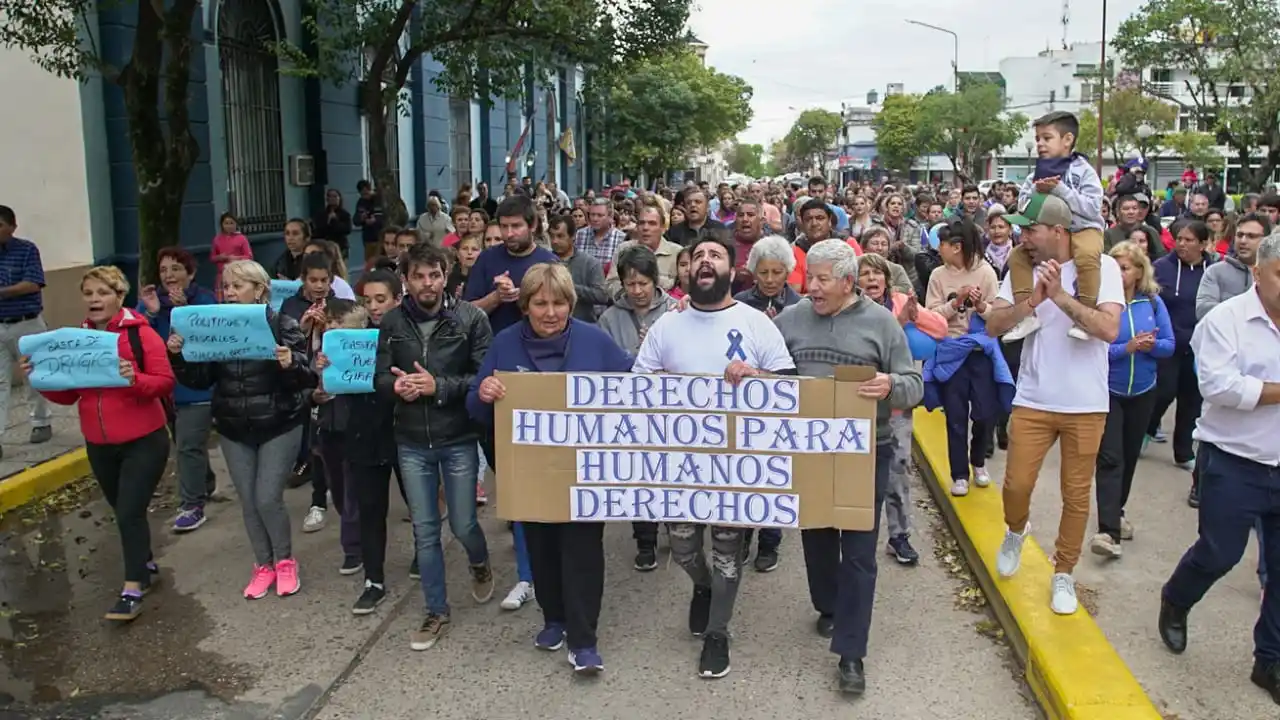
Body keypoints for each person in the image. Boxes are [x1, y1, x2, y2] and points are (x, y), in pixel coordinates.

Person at [632, 234, 797, 679]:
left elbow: (789, 385)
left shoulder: (757, 322)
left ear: (730, 270)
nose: (705, 261)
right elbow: (637, 383)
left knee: (728, 550)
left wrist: (756, 375)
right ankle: (701, 587)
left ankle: (719, 631)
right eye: (697, 256)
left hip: (734, 464)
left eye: (715, 255)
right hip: (678, 465)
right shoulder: (668, 324)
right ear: (687, 271)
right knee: (684, 547)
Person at [467, 262, 633, 675]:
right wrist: (485, 393)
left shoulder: (595, 341)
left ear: (571, 305)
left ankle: (584, 640)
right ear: (524, 305)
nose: (550, 312)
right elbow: (475, 405)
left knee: (581, 553)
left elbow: (635, 386)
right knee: (541, 551)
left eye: (559, 303)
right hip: (530, 473)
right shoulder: (505, 343)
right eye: (539, 303)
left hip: (585, 472)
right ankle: (554, 620)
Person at [775, 239, 924, 694]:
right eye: (808, 277)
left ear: (847, 282)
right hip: (808, 453)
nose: (810, 287)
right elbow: (772, 373)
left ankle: (851, 655)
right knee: (817, 537)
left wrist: (889, 385)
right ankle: (828, 605)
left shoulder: (881, 324)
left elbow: (913, 386)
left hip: (865, 452)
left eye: (821, 279)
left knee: (859, 554)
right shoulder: (791, 319)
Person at [982, 193, 1123, 615]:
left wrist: (1061, 296)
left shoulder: (1104, 269)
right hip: (1033, 398)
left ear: (1058, 232)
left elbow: (1109, 329)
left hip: (1086, 403)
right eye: (1022, 228)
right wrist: (1033, 300)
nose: (1023, 236)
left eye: (1031, 228)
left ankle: (1063, 572)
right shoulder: (1020, 269)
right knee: (1016, 485)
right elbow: (993, 324)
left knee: (1076, 495)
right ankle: (1016, 530)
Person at [1158, 233, 1280, 705]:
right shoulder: (1226, 321)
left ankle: (1268, 659)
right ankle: (1177, 598)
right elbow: (1219, 386)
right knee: (1219, 552)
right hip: (1232, 461)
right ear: (1258, 272)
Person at [27, 266, 174, 621]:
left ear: (119, 297)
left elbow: (164, 382)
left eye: (103, 292)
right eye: (89, 293)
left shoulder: (141, 334)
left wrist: (132, 378)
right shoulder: (76, 339)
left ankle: (133, 588)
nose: (94, 299)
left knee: (128, 512)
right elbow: (69, 397)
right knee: (124, 511)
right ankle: (145, 561)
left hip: (144, 440)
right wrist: (39, 377)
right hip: (99, 444)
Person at [167, 260, 316, 599]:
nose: (230, 293)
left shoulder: (281, 323)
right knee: (249, 501)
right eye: (227, 287)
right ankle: (263, 565)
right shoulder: (214, 327)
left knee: (267, 497)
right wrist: (178, 356)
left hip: (279, 423)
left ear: (259, 290)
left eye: (238, 286)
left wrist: (290, 363)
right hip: (234, 427)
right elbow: (200, 379)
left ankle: (285, 561)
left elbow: (307, 377)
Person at [375, 243, 495, 650]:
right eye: (419, 276)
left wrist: (437, 387)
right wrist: (397, 387)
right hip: (410, 440)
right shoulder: (392, 321)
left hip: (457, 436)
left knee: (463, 524)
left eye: (435, 275)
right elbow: (379, 377)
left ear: (446, 277)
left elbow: (484, 379)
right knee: (425, 532)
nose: (428, 283)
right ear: (405, 280)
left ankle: (479, 563)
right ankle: (436, 611)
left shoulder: (471, 318)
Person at [858, 252, 946, 566]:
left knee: (898, 470)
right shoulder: (850, 310)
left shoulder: (898, 301)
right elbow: (872, 347)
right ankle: (855, 536)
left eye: (876, 273)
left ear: (886, 278)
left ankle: (899, 536)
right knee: (856, 476)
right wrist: (900, 323)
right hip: (856, 405)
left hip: (895, 407)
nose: (871, 279)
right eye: (864, 273)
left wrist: (914, 315)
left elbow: (940, 329)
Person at [596, 245, 678, 571]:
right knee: (638, 476)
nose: (637, 291)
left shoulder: (676, 311)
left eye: (643, 283)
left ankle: (676, 528)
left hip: (670, 411)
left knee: (671, 475)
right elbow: (603, 366)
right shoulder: (609, 318)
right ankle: (645, 541)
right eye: (630, 284)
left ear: (655, 281)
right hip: (629, 412)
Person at [1090, 242, 1175, 559]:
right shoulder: (1102, 303)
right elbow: (1094, 348)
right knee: (1110, 458)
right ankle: (1107, 531)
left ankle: (1117, 511)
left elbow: (1169, 344)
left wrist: (1149, 346)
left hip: (1143, 391)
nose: (1119, 272)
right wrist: (1125, 349)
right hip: (1108, 392)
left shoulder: (1152, 302)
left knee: (1128, 456)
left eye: (1125, 267)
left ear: (1140, 271)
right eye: (1115, 266)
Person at [338, 269, 405, 614]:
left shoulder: (408, 335)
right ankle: (373, 579)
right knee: (370, 509)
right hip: (364, 433)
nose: (375, 307)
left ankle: (426, 558)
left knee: (417, 504)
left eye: (382, 299)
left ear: (398, 299)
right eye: (368, 300)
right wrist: (327, 367)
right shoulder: (350, 337)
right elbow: (335, 386)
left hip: (405, 432)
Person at [1007, 112, 1107, 342]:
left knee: (1089, 254)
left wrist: (1061, 190)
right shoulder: (1036, 173)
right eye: (1038, 138)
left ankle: (1085, 315)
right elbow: (1022, 205)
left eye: (1046, 138)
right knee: (1017, 256)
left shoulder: (1084, 171)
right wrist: (1036, 191)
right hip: (1049, 234)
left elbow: (1093, 208)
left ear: (1067, 139)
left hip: (1083, 229)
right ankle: (1026, 314)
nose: (1040, 144)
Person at [138, 247, 218, 532]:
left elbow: (211, 342)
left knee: (187, 445)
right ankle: (205, 483)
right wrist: (150, 314)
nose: (169, 275)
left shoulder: (206, 300)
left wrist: (184, 311)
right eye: (163, 270)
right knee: (186, 444)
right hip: (165, 390)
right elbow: (137, 341)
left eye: (175, 269)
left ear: (191, 273)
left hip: (197, 389)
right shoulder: (150, 304)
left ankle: (192, 505)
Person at [924, 218, 1002, 496]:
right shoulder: (937, 275)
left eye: (942, 244)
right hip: (951, 351)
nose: (938, 249)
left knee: (984, 413)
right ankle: (959, 473)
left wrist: (979, 304)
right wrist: (956, 302)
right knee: (955, 416)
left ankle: (978, 462)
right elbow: (931, 315)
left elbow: (997, 316)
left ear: (956, 247)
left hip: (980, 352)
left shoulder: (986, 273)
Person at [1148, 220, 1213, 475]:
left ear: (1203, 244)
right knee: (1164, 392)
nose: (1182, 244)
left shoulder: (1213, 271)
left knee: (1191, 400)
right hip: (1169, 342)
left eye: (1189, 240)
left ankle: (1184, 452)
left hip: (1200, 345)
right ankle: (1148, 426)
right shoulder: (1162, 268)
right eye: (1180, 239)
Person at [0, 205, 54, 452]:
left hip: (27, 323)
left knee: (35, 374)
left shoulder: (26, 250)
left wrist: (3, 293)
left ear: (12, 226)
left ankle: (41, 421)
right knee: (1, 382)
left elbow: (33, 283)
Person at [605, 204, 682, 297]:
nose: (645, 228)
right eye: (641, 223)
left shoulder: (677, 253)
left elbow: (683, 289)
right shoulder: (623, 249)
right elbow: (610, 285)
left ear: (663, 228)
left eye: (652, 223)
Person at [548, 214, 608, 322]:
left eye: (560, 236)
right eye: (552, 236)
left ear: (573, 236)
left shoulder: (590, 263)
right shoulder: (544, 261)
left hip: (582, 325)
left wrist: (569, 287)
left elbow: (602, 296)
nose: (554, 241)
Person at [734, 235, 801, 318]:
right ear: (754, 273)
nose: (769, 279)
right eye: (763, 272)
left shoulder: (799, 305)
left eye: (777, 272)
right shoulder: (740, 302)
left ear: (787, 273)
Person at [210, 212, 254, 300]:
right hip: (222, 275)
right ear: (222, 225)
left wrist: (236, 259)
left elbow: (249, 256)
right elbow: (212, 258)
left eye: (231, 223)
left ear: (236, 224)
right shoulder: (217, 239)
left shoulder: (241, 238)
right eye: (226, 223)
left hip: (238, 274)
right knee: (221, 299)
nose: (229, 226)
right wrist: (221, 257)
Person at [311, 189, 353, 258]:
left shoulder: (344, 214)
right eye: (330, 196)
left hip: (340, 246)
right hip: (325, 246)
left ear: (339, 198)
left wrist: (335, 221)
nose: (333, 199)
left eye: (335, 196)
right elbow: (318, 230)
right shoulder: (322, 214)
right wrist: (328, 221)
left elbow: (347, 229)